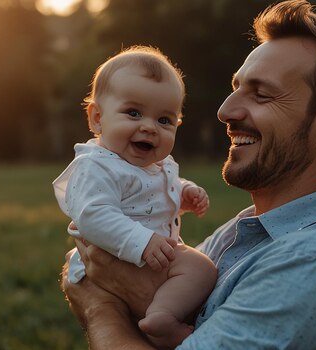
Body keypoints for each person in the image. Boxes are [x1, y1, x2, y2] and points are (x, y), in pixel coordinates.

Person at [60, 1, 316, 349]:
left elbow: (124, 289)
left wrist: (99, 304)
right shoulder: (254, 230)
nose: (225, 111)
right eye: (235, 87)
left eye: (261, 94)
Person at [52, 46, 217, 348]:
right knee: (201, 269)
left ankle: (155, 318)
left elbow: (155, 189)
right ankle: (163, 317)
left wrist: (184, 191)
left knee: (199, 269)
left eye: (165, 120)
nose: (149, 127)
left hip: (145, 256)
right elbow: (92, 215)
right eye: (133, 113)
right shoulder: (96, 166)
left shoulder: (154, 166)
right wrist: (142, 243)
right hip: (125, 254)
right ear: (97, 118)